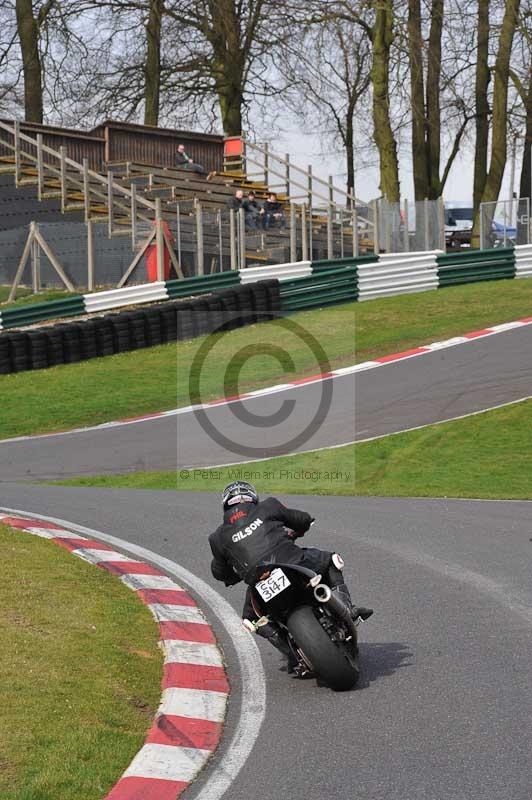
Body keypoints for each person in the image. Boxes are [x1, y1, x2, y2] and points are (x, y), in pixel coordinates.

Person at [209, 481, 373, 672]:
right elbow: (301, 519)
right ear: (252, 498)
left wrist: (233, 575)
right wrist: (301, 527)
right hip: (293, 563)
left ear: (226, 505)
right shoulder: (268, 506)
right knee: (331, 560)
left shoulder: (217, 538)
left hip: (258, 579)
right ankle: (349, 609)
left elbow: (220, 573)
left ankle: (292, 655)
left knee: (251, 619)